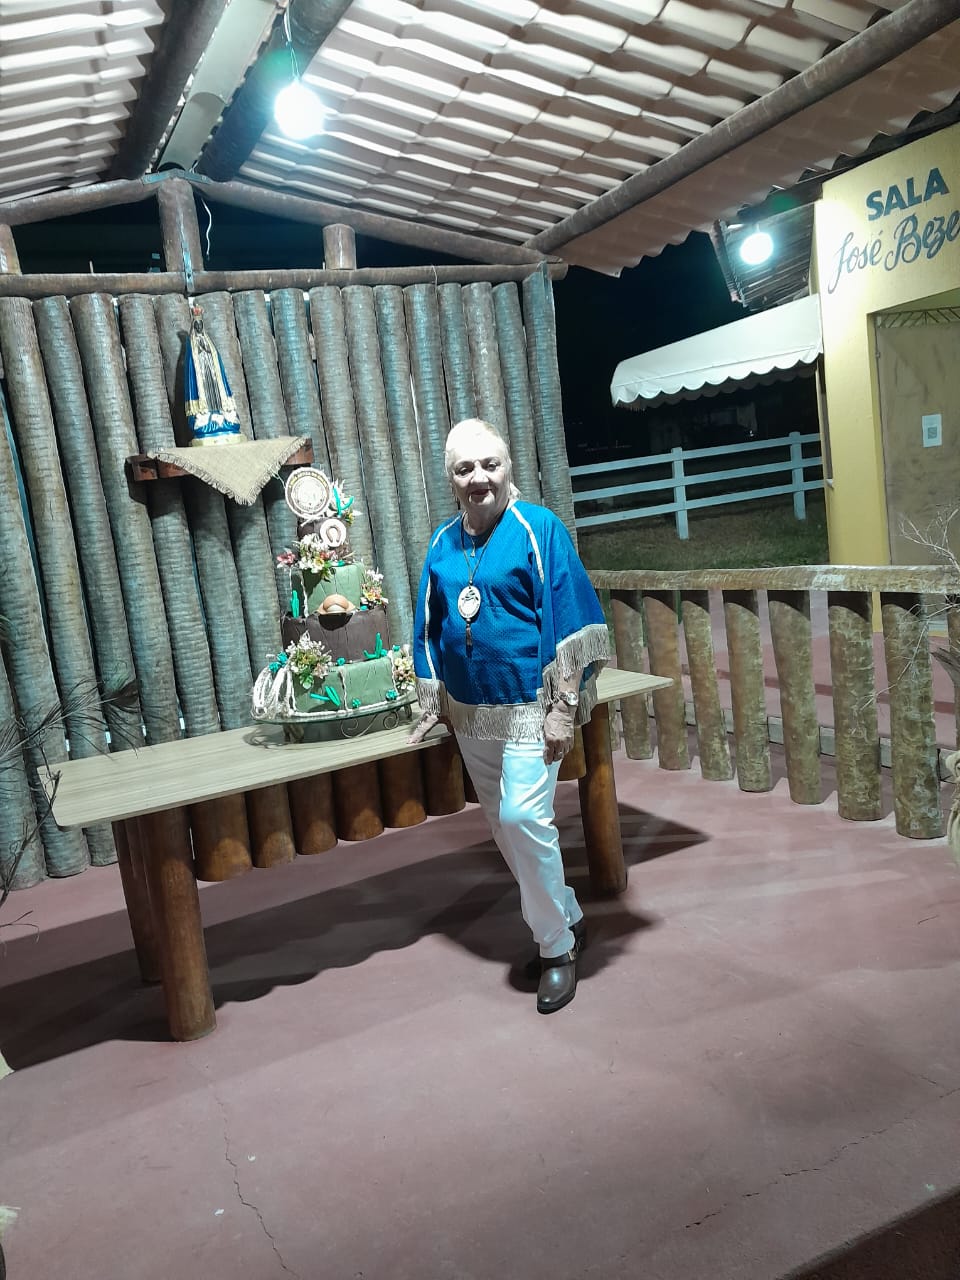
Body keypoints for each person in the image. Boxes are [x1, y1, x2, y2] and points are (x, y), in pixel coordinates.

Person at [408, 419, 609, 1013]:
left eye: (489, 465)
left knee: (524, 818)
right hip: (472, 715)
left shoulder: (537, 528)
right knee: (502, 826)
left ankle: (555, 949)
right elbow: (430, 625)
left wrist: (562, 708)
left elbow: (570, 617)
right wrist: (434, 699)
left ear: (508, 466)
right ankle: (566, 916)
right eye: (465, 469)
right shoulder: (443, 543)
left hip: (530, 708)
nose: (479, 478)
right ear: (450, 479)